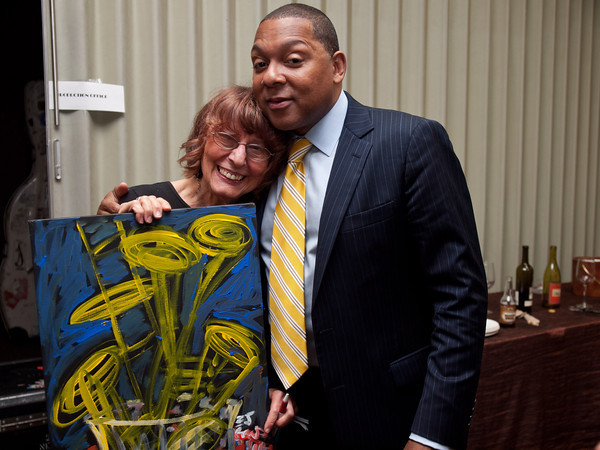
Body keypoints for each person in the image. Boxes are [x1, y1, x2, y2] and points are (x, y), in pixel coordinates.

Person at [99, 4, 488, 449]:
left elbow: (460, 299)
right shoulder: (261, 167)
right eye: (260, 63)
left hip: (388, 416)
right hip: (281, 417)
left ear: (337, 66)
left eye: (293, 59)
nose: (271, 75)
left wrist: (431, 437)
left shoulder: (407, 143)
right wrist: (116, 218)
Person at [110, 85, 288, 222]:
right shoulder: (137, 203)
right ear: (202, 138)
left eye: (256, 149)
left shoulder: (272, 218)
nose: (238, 159)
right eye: (227, 139)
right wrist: (115, 226)